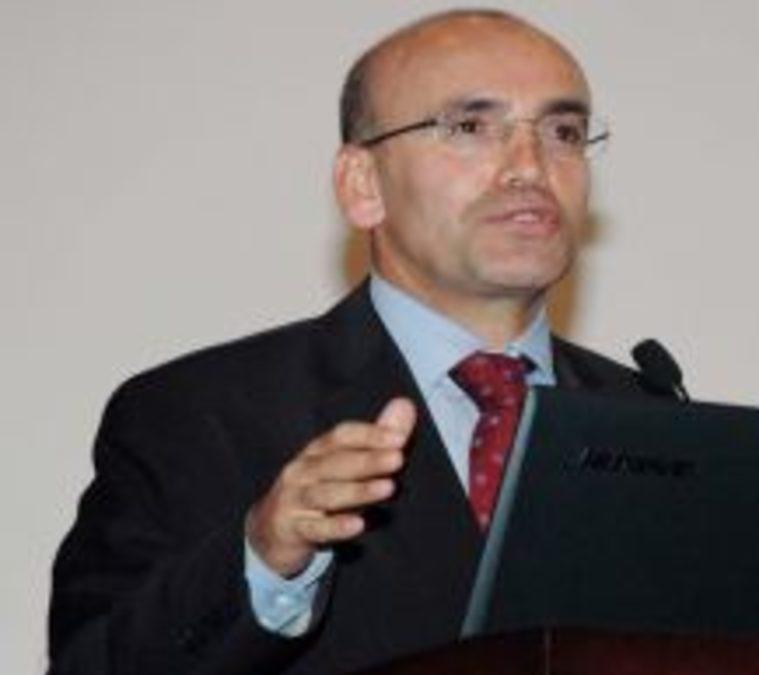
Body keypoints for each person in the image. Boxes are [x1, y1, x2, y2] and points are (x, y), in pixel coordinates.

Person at [49, 10, 654, 674]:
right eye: (471, 127)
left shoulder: (650, 417)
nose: (530, 167)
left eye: (563, 132)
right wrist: (262, 560)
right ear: (363, 185)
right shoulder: (199, 415)